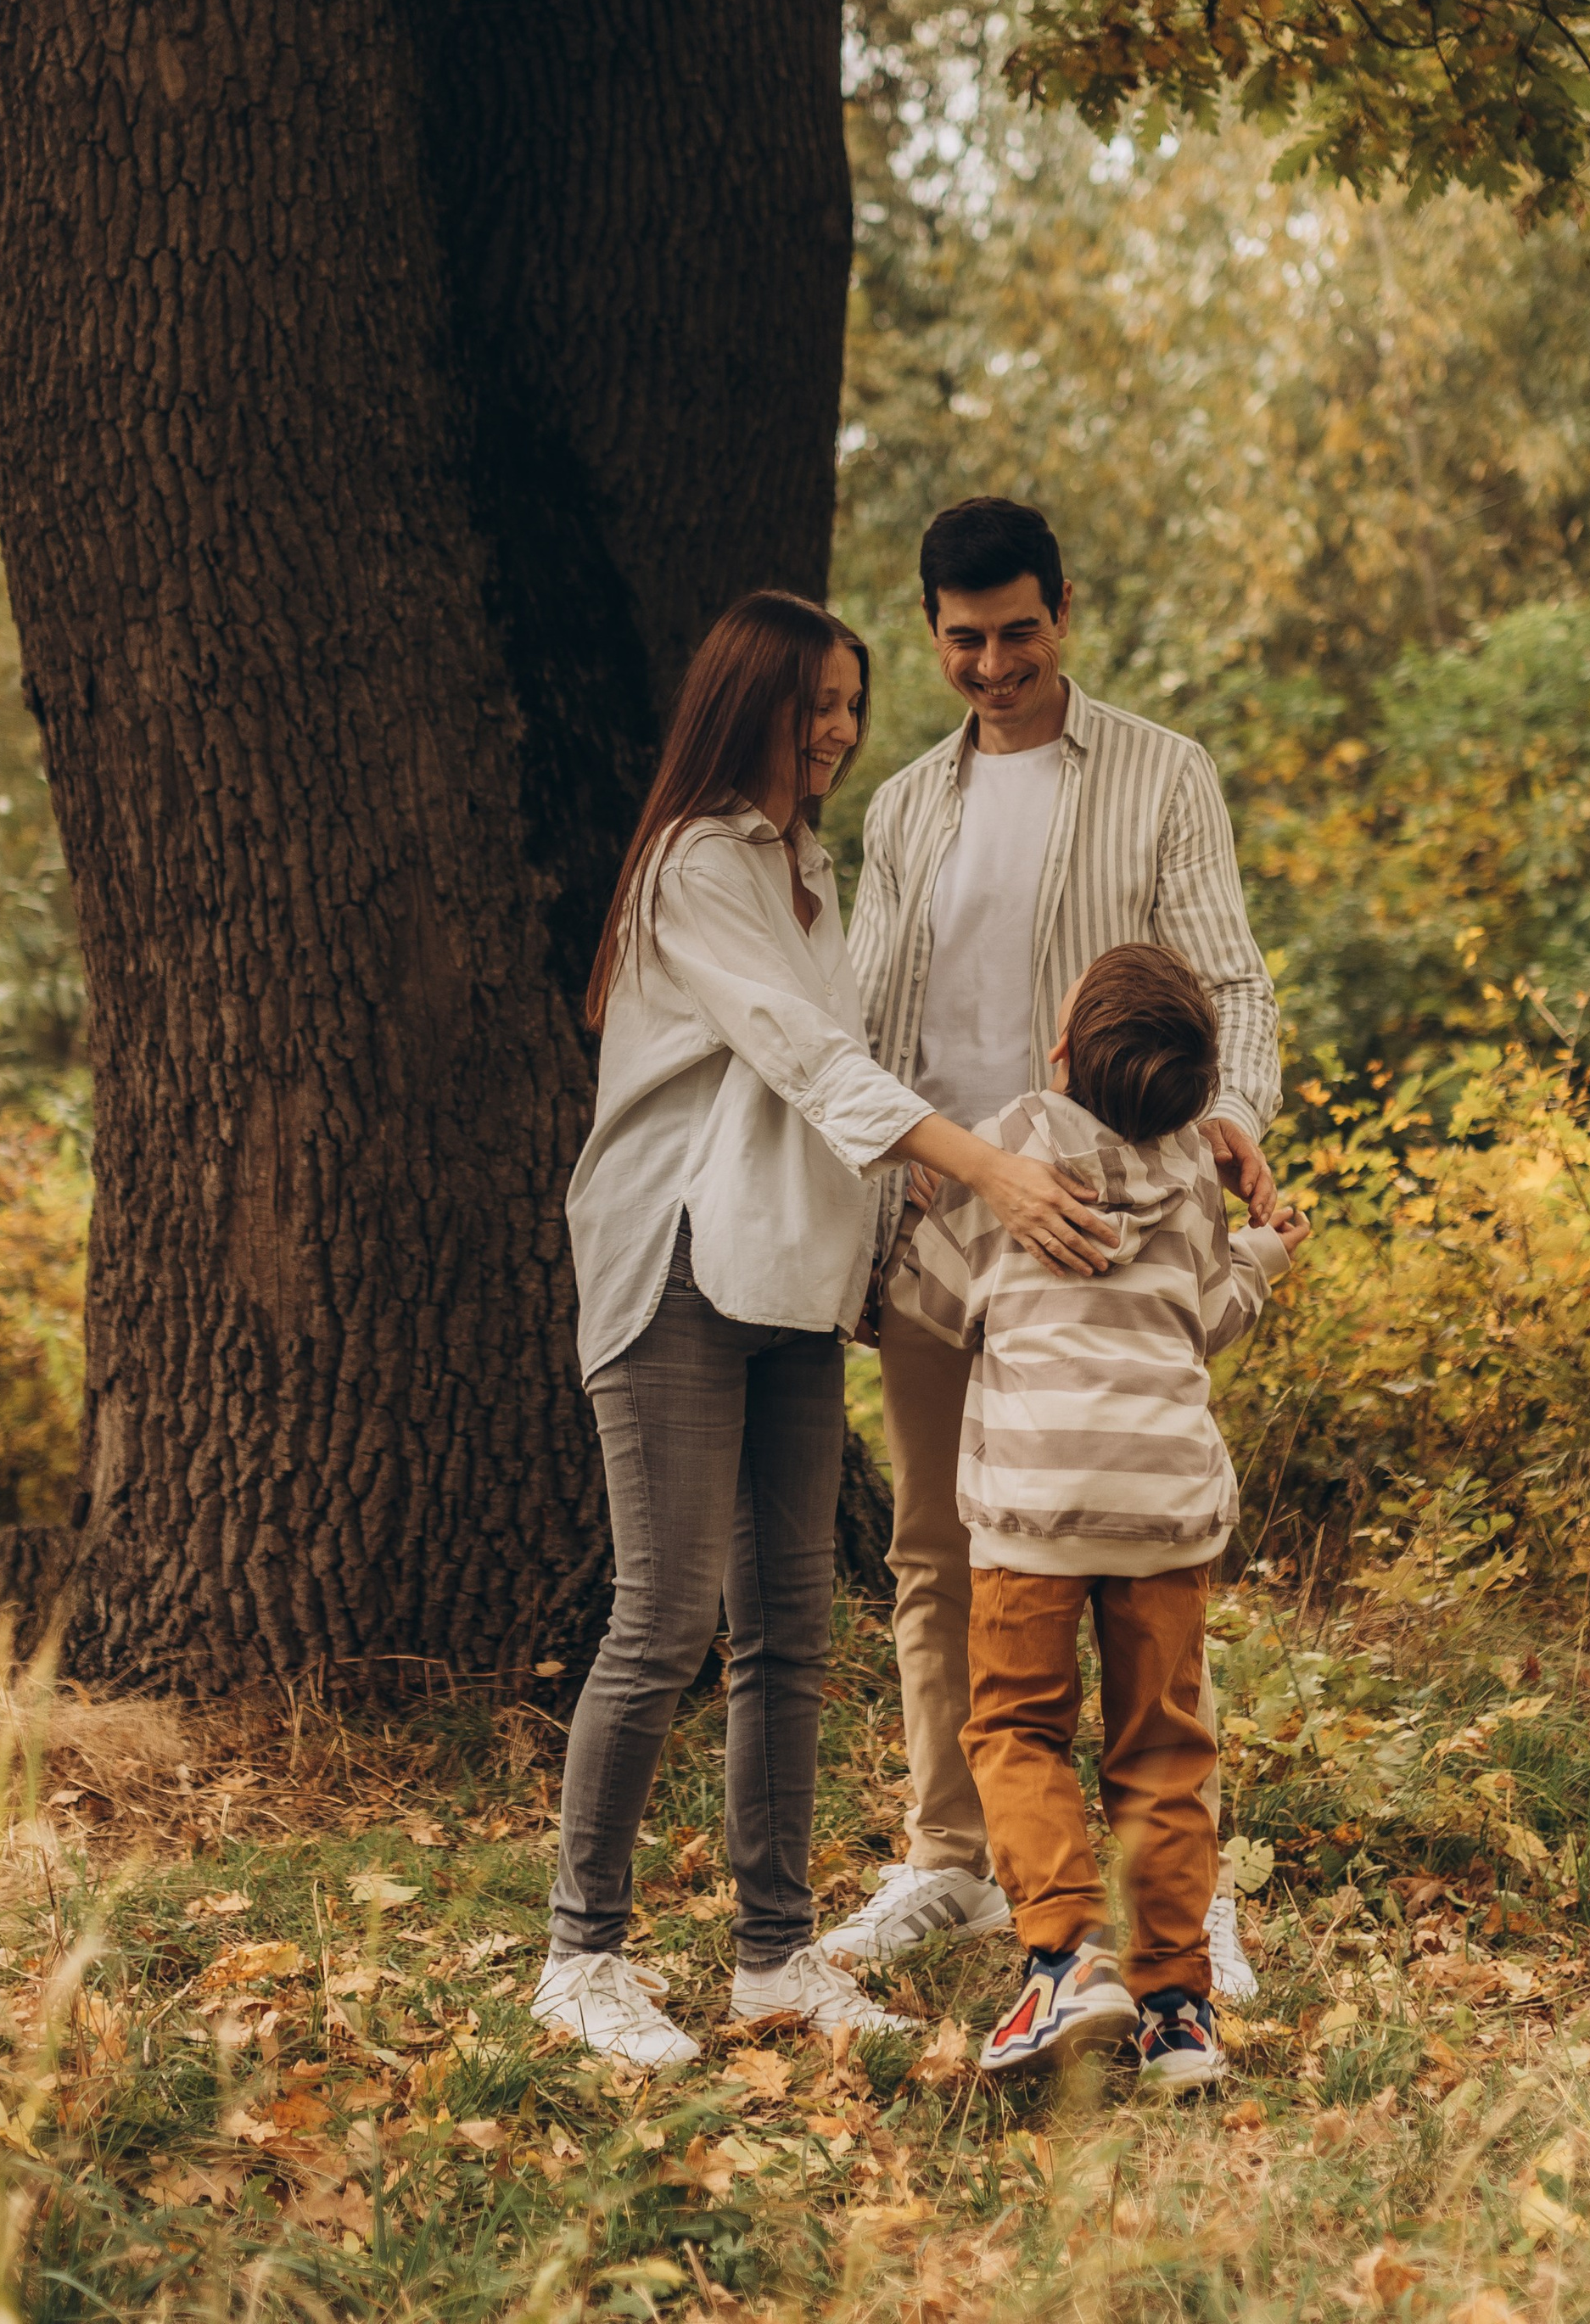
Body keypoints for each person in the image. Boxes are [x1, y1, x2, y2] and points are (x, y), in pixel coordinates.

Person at [535, 589, 1123, 2069]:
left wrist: (888, 1251)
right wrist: (981, 1164)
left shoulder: (806, 867)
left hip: (791, 1280)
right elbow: (808, 1061)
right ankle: (580, 1958)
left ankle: (773, 1959)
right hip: (677, 1263)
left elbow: (847, 1067)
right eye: (819, 710)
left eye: (856, 709)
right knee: (667, 1619)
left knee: (791, 1628)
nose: (844, 735)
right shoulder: (691, 865)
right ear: (751, 707)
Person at [833, 499, 1282, 1998]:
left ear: (1064, 611)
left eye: (1019, 631)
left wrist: (1229, 1119)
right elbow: (870, 1031)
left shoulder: (1161, 773)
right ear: (932, 633)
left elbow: (1231, 978)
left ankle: (1177, 1893)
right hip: (946, 1226)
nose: (993, 663)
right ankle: (952, 1863)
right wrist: (903, 1195)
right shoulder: (902, 808)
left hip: (1111, 1221)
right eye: (963, 639)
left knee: (1145, 1551)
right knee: (938, 1548)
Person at [881, 946, 1299, 2090]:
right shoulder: (1192, 1177)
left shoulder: (1012, 1151)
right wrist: (1262, 1254)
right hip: (1165, 1515)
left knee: (1017, 1727)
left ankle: (1064, 1959)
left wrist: (914, 1221)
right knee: (1164, 1745)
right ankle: (1176, 2006)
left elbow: (930, 1298)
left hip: (1034, 1511)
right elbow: (1210, 1313)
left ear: (1060, 1054)